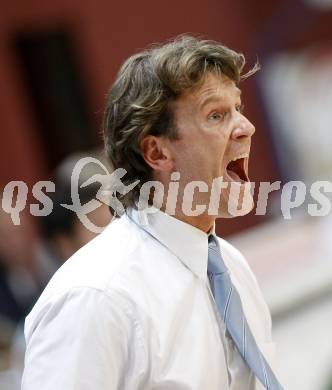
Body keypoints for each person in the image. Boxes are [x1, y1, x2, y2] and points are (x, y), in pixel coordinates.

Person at [22, 36, 283, 389]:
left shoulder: (232, 267)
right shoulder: (95, 296)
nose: (245, 127)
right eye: (216, 115)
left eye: (237, 108)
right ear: (157, 153)